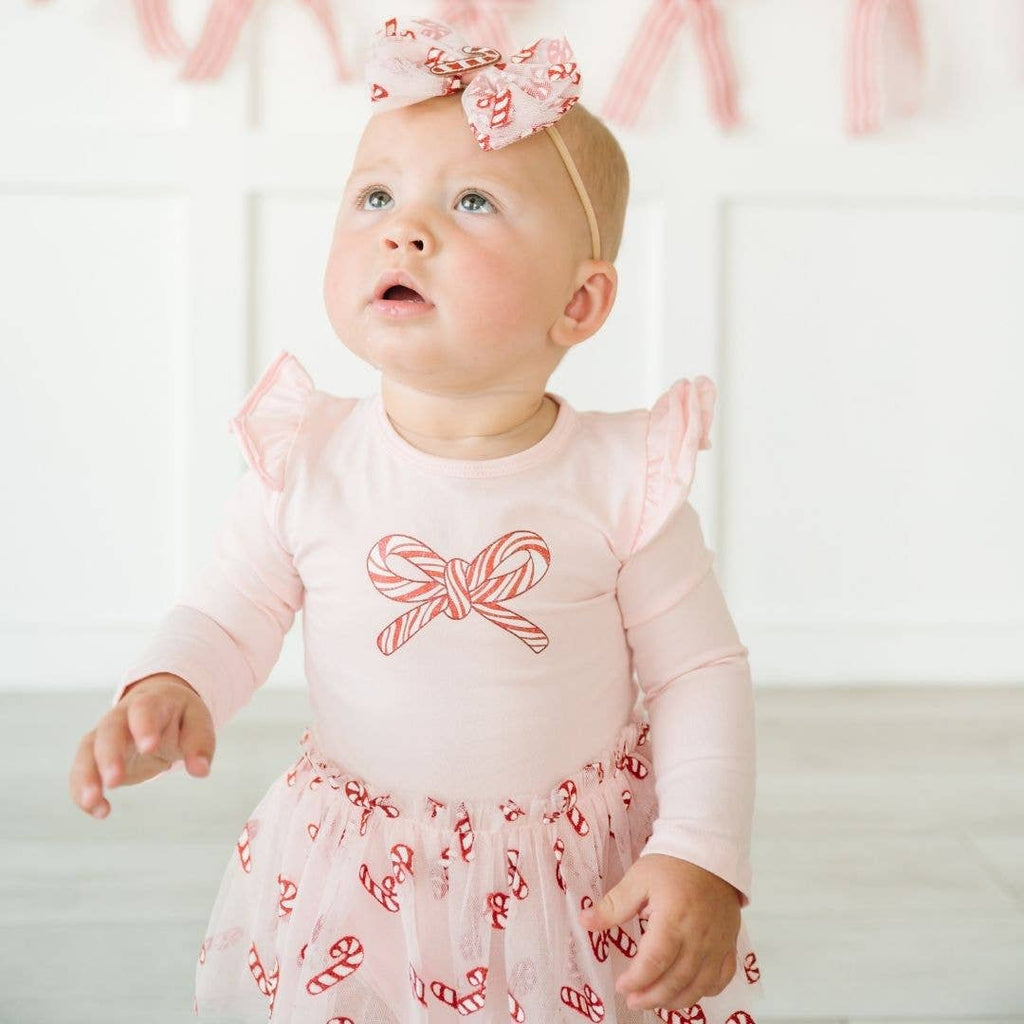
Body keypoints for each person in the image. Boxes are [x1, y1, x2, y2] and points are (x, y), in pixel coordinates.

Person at [68, 15, 764, 1023]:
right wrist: (175, 680)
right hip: (364, 862)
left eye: (472, 200)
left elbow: (697, 673)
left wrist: (699, 847)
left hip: (570, 871)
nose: (404, 228)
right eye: (376, 196)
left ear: (579, 303)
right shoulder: (307, 454)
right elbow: (231, 608)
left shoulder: (622, 481)